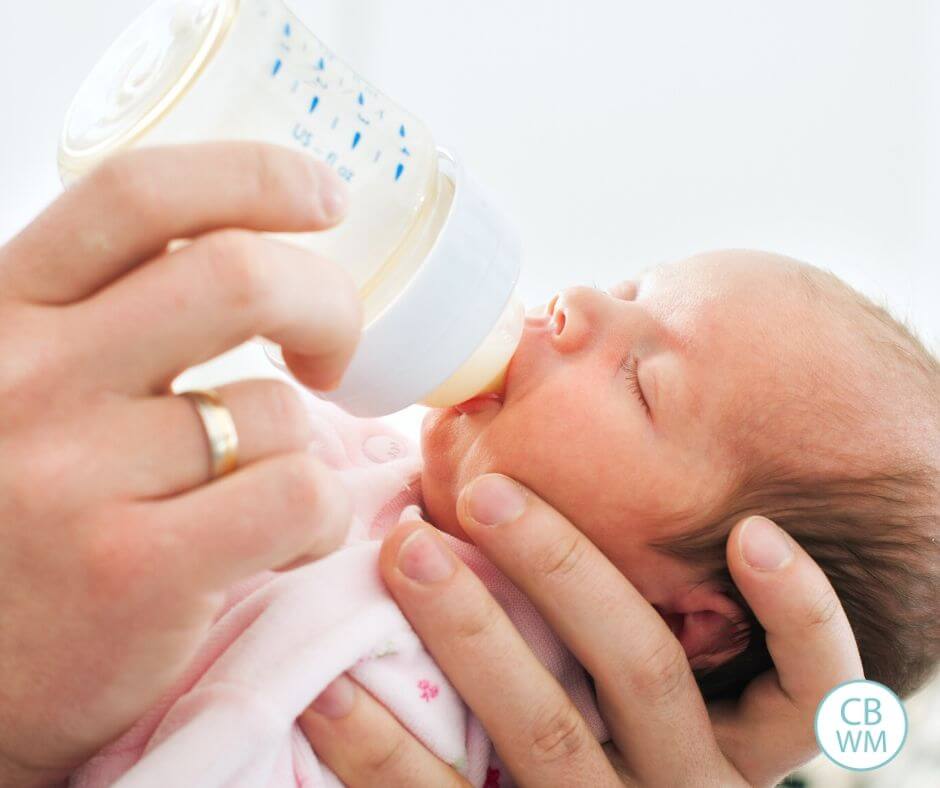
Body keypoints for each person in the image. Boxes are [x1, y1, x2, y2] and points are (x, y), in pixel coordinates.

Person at [0, 141, 881, 787]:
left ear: (692, 624)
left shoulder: (431, 694)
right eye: (624, 292)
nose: (570, 303)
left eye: (641, 381)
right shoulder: (384, 473)